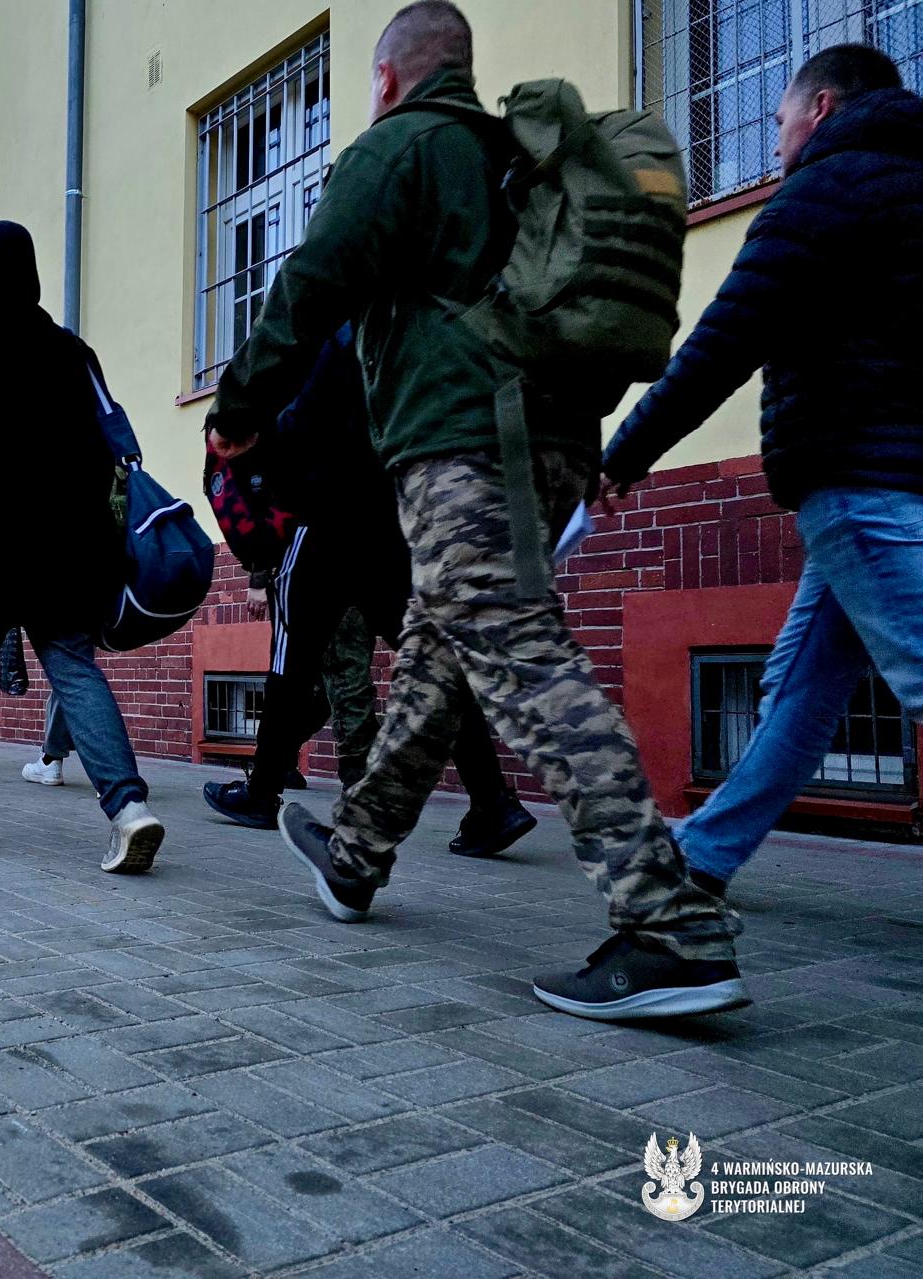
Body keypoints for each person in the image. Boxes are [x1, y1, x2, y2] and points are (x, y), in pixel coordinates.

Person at [204, 2, 741, 1019]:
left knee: (523, 656)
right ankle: (356, 852)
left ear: (388, 78)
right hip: (552, 443)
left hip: (465, 449)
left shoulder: (401, 147)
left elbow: (308, 284)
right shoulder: (510, 158)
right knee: (434, 654)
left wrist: (239, 412)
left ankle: (672, 925)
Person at [603, 45, 923, 897]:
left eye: (778, 119)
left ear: (820, 108)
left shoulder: (822, 192)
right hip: (889, 481)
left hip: (856, 477)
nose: (775, 137)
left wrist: (623, 455)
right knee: (801, 687)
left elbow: (722, 344)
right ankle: (705, 854)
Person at [203, 325, 535, 852]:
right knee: (432, 663)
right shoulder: (392, 332)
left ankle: (262, 794)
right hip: (386, 526)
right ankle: (493, 802)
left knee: (289, 671)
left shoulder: (309, 338)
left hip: (319, 527)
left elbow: (281, 431)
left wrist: (267, 533)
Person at [0, 220, 165, 872]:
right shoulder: (71, 350)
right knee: (73, 668)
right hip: (63, 546)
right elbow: (103, 454)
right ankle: (129, 807)